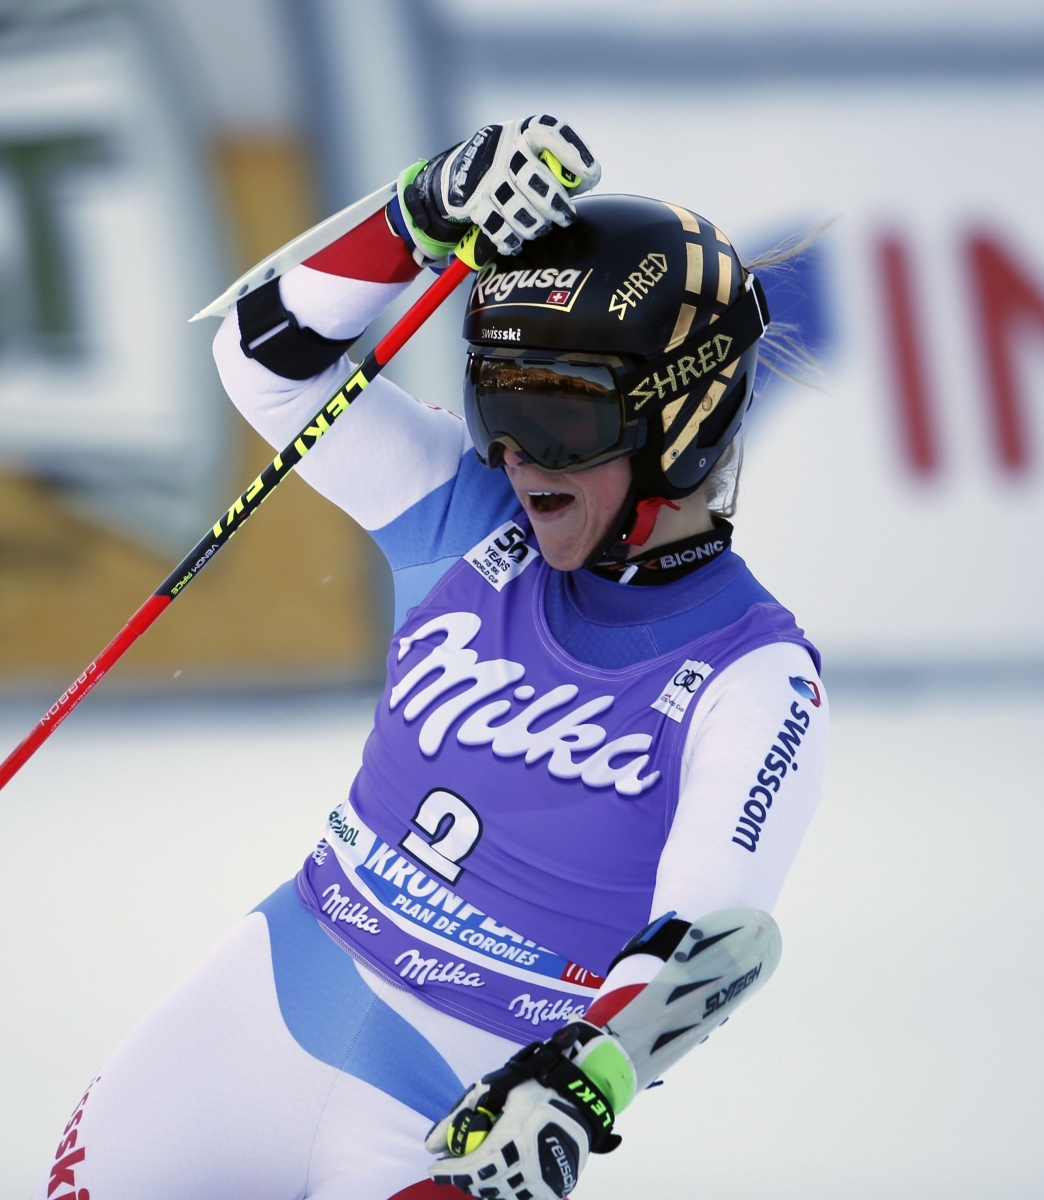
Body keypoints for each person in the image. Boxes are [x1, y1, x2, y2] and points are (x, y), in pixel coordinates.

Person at [33, 116, 827, 1200]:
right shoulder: (464, 513)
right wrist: (418, 214)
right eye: (495, 404)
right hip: (269, 998)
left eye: (559, 420)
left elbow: (711, 935)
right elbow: (265, 364)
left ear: (680, 420)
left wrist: (580, 1081)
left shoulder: (755, 670)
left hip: (462, 1097)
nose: (512, 455)